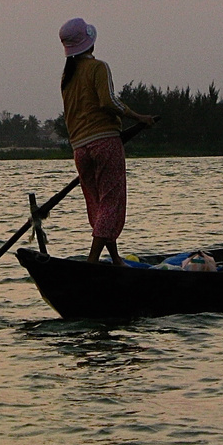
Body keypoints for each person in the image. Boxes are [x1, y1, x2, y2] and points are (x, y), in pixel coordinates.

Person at [59, 18, 155, 265]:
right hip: (105, 143)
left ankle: (115, 259)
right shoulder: (98, 67)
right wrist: (138, 116)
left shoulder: (67, 76)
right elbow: (108, 102)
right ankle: (92, 262)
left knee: (98, 204)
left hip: (80, 148)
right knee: (111, 202)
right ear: (89, 43)